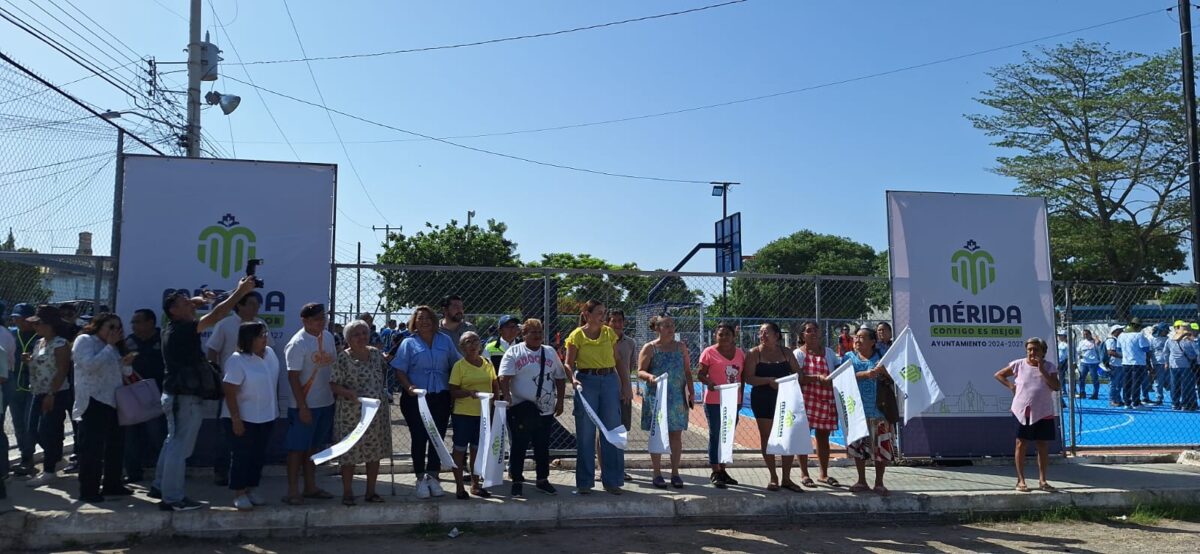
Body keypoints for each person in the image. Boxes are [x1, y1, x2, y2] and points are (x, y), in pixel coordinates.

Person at [153, 276, 257, 511]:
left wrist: (198, 301)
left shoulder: (172, 326)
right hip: (184, 397)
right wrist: (240, 292)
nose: (191, 304)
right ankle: (173, 498)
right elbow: (217, 315)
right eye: (185, 303)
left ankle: (160, 486)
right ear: (174, 310)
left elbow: (195, 306)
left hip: (176, 395)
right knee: (179, 448)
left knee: (172, 443)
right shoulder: (184, 329)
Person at [392, 305, 461, 499]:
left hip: (440, 396)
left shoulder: (445, 340)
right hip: (416, 398)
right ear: (414, 321)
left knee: (437, 437)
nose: (424, 321)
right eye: (420, 318)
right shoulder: (408, 343)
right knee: (419, 436)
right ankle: (420, 477)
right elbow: (399, 369)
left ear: (434, 320)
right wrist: (409, 387)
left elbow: (457, 363)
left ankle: (433, 476)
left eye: (428, 318)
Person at [206, 293, 275, 487]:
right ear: (239, 306)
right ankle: (222, 472)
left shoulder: (261, 324)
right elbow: (212, 350)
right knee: (228, 434)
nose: (256, 308)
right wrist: (217, 376)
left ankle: (249, 481)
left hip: (256, 390)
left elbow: (268, 351)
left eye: (258, 304)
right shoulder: (225, 324)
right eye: (252, 304)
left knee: (254, 442)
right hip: (232, 385)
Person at [563, 300, 630, 495]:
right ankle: (585, 483)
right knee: (586, 433)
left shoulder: (609, 333)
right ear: (587, 314)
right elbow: (568, 363)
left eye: (604, 312)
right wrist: (573, 379)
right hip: (586, 382)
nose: (603, 316)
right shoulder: (576, 335)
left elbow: (618, 360)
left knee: (612, 430)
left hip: (609, 381)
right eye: (599, 312)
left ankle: (613, 481)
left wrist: (625, 385)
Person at [72, 313, 137, 502]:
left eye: (118, 328)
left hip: (114, 400)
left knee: (115, 446)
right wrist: (109, 346)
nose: (114, 331)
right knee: (92, 449)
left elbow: (124, 373)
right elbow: (89, 365)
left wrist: (126, 364)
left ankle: (112, 484)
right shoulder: (85, 341)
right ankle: (89, 490)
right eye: (110, 327)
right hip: (93, 400)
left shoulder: (114, 347)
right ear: (98, 326)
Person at [498, 318, 566, 497]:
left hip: (545, 409)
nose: (537, 336)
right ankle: (517, 480)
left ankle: (542, 480)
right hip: (521, 409)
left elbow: (560, 377)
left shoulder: (549, 352)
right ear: (524, 334)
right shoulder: (514, 352)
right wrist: (507, 396)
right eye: (533, 332)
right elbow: (504, 377)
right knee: (519, 446)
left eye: (539, 332)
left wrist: (560, 401)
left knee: (542, 446)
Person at [329, 319, 392, 506]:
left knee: (374, 453)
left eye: (364, 333)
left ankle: (371, 492)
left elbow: (382, 374)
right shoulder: (343, 358)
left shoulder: (375, 354)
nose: (361, 337)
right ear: (348, 338)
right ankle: (347, 492)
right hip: (351, 414)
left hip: (376, 415)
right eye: (356, 334)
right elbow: (333, 384)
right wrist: (349, 393)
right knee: (349, 454)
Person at [282, 303, 338, 505]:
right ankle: (292, 491)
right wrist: (303, 407)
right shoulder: (298, 343)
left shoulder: (328, 337)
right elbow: (293, 377)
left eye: (323, 317)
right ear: (304, 321)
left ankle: (310, 487)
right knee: (297, 449)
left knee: (314, 448)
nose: (321, 322)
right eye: (316, 319)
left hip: (326, 402)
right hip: (304, 406)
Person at [220, 322, 279, 511]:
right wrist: (236, 419)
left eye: (265, 334)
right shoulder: (237, 360)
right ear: (249, 339)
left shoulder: (270, 354)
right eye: (261, 335)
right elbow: (229, 390)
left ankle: (251, 489)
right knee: (241, 456)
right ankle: (239, 493)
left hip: (267, 416)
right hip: (243, 418)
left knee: (258, 456)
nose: (265, 338)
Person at [744, 322, 804, 493]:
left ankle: (786, 478)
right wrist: (768, 381)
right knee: (767, 437)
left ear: (777, 335)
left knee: (788, 437)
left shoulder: (787, 353)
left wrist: (789, 381)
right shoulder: (754, 353)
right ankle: (773, 477)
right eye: (760, 332)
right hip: (763, 400)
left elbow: (799, 374)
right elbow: (749, 378)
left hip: (786, 399)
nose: (762, 335)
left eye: (766, 332)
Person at [994, 337, 1060, 493]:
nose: (1032, 352)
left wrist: (1042, 370)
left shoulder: (1050, 367)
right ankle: (1021, 480)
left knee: (1042, 445)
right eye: (1029, 349)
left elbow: (1056, 386)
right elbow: (999, 375)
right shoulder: (1018, 364)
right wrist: (1011, 386)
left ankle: (1043, 480)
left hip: (1043, 411)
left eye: (1036, 349)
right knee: (1021, 443)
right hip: (1023, 411)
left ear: (1043, 352)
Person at [836, 327, 895, 496]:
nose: (857, 340)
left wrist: (884, 371)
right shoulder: (849, 357)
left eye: (862, 337)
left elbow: (895, 377)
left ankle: (879, 482)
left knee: (881, 447)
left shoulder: (882, 357)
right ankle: (861, 480)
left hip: (879, 410)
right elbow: (843, 377)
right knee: (858, 446)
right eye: (856, 337)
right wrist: (865, 374)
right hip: (856, 410)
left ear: (872, 341)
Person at [637, 315, 692, 489]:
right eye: (666, 325)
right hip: (657, 397)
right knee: (657, 434)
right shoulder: (650, 348)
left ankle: (675, 473)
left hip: (677, 397)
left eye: (672, 325)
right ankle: (657, 473)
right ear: (657, 328)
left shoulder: (681, 347)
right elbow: (640, 371)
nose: (670, 328)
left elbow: (687, 371)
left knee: (676, 435)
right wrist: (650, 377)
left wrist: (691, 392)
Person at [22, 305, 73, 488]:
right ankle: (55, 456)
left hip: (55, 393)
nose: (34, 327)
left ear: (49, 324)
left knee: (46, 430)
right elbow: (42, 366)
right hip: (38, 391)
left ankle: (49, 470)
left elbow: (62, 370)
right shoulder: (39, 343)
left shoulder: (60, 344)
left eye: (38, 323)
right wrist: (29, 361)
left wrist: (51, 393)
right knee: (33, 430)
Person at [447, 331, 499, 499]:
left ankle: (475, 485)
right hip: (463, 415)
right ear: (462, 347)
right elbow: (453, 391)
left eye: (475, 340)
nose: (473, 344)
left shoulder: (488, 363)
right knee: (460, 450)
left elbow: (494, 384)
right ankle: (459, 487)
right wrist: (468, 393)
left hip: (483, 415)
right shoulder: (459, 366)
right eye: (468, 342)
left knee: (478, 450)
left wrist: (496, 405)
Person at [793, 321, 841, 488]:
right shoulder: (798, 354)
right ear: (802, 335)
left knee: (823, 438)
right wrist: (817, 378)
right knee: (803, 436)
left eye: (815, 330)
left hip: (826, 400)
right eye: (808, 331)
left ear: (820, 333)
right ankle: (804, 474)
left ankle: (823, 474)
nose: (813, 333)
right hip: (805, 400)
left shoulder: (829, 353)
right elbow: (798, 378)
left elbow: (837, 371)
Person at [697, 322, 744, 489]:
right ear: (715, 336)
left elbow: (743, 376)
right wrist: (708, 382)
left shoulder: (740, 353)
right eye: (720, 334)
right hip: (714, 401)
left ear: (733, 336)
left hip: (733, 401)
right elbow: (700, 374)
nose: (724, 337)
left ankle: (723, 470)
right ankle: (715, 470)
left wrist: (740, 398)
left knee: (728, 435)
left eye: (727, 334)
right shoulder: (709, 352)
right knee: (716, 435)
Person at [123, 309, 167, 484]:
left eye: (137, 321)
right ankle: (133, 472)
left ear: (150, 322)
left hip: (157, 395)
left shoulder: (163, 338)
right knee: (130, 435)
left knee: (157, 434)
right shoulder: (129, 342)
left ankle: (164, 471)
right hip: (132, 395)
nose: (133, 325)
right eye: (132, 322)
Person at [3, 303, 37, 479]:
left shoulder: (40, 336)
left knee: (31, 422)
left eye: (21, 318)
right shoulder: (11, 333)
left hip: (34, 385)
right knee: (18, 422)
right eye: (15, 318)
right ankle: (26, 457)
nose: (17, 321)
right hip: (15, 384)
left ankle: (34, 455)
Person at [608, 309, 637, 482]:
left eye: (620, 320)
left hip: (624, 392)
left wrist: (625, 386)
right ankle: (603, 468)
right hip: (606, 391)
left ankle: (619, 468)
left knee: (622, 430)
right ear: (608, 322)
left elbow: (630, 367)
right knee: (605, 431)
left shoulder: (630, 343)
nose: (617, 324)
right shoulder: (603, 340)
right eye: (614, 321)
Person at [1116, 320, 1152, 409]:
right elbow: (1145, 349)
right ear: (1138, 326)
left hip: (1126, 362)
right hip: (1138, 362)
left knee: (1126, 383)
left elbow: (1119, 349)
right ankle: (1136, 403)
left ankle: (1127, 402)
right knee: (1136, 383)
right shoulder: (1139, 335)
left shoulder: (1121, 335)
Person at [1165, 322, 1198, 411]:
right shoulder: (1189, 341)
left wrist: (1166, 362)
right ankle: (1185, 404)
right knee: (1185, 385)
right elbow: (1197, 352)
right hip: (1186, 365)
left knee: (1174, 385)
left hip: (1173, 365)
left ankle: (1175, 404)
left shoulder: (1170, 340)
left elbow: (1166, 352)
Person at [1075, 329, 1102, 400]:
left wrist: (1097, 340)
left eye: (1087, 334)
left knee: (1094, 379)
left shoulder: (1094, 342)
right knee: (1081, 378)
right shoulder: (1081, 342)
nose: (1085, 335)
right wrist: (1079, 356)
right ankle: (1082, 392)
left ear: (1090, 334)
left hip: (1094, 363)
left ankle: (1095, 394)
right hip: (1084, 363)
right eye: (1084, 334)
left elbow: (1099, 348)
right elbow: (1078, 351)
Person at [1149, 323, 1170, 406]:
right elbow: (1150, 352)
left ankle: (1175, 398)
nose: (1167, 332)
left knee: (1170, 381)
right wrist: (1150, 364)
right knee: (1158, 381)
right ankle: (1159, 398)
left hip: (1168, 362)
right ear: (1161, 330)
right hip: (1157, 363)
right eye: (1165, 330)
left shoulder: (1168, 339)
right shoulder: (1152, 339)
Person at [1105, 325, 1124, 407]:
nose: (1122, 331)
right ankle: (1112, 400)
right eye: (1120, 330)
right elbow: (1110, 352)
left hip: (1119, 364)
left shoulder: (1118, 340)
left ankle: (1118, 399)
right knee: (1113, 383)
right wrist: (1123, 356)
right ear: (1115, 331)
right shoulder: (1111, 340)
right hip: (1114, 364)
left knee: (1119, 384)